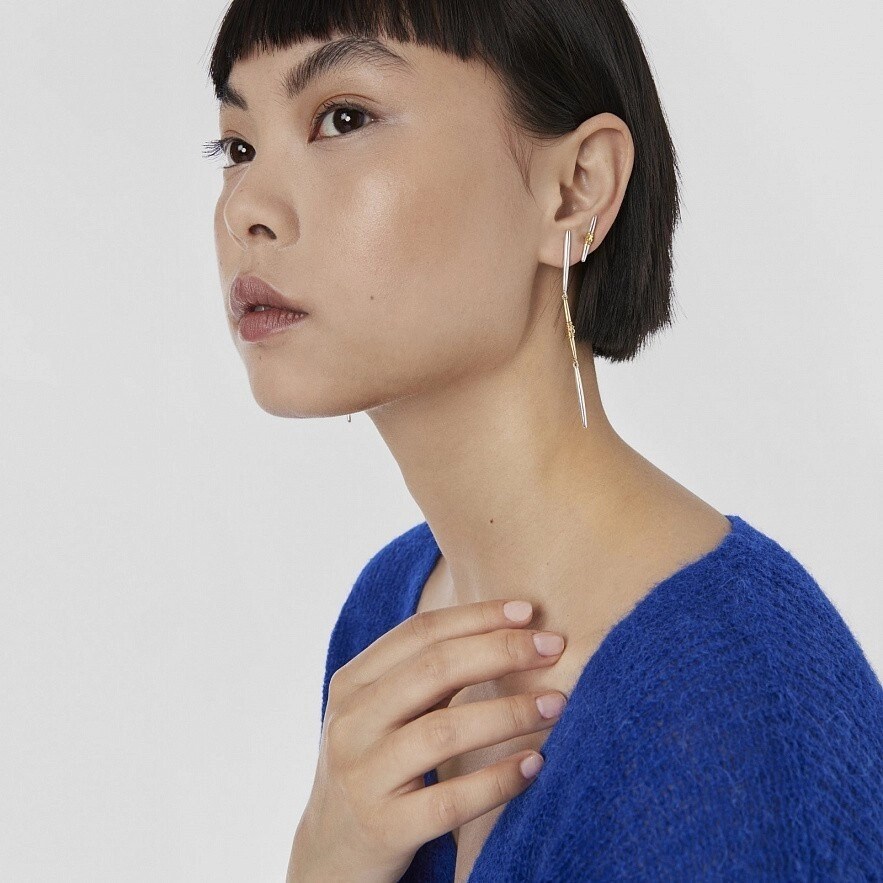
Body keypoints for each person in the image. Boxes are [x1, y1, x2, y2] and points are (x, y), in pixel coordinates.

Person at [203, 1, 883, 880]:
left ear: (575, 189)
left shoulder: (723, 723)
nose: (246, 208)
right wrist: (326, 860)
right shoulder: (391, 618)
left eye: (342, 118)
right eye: (237, 147)